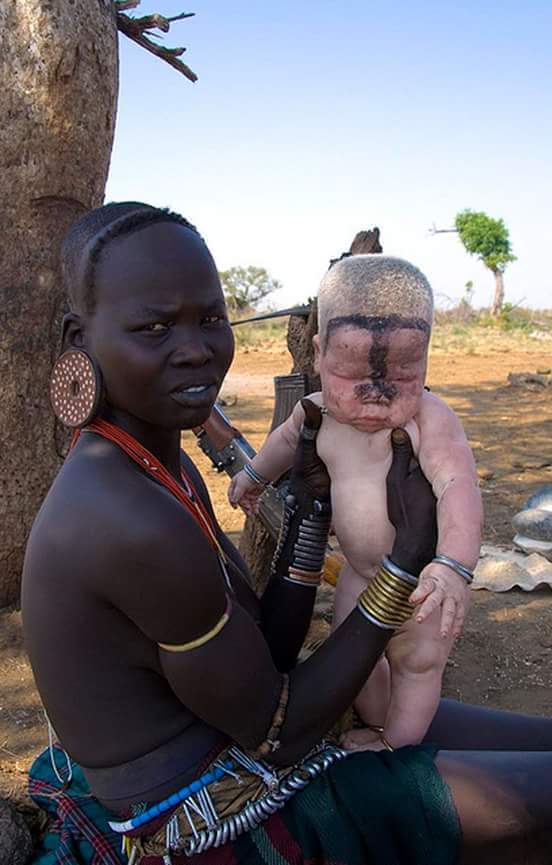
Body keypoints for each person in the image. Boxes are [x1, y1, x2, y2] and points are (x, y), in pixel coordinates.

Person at [22, 202, 552, 865]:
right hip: (216, 812)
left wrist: (308, 519)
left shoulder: (158, 465)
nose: (196, 348)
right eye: (155, 327)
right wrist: (407, 559)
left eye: (211, 319)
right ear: (80, 335)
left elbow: (262, 655)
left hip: (250, 741)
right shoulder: (122, 515)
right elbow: (280, 726)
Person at [229, 254, 482, 750]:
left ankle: (399, 745)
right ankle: (377, 723)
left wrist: (453, 566)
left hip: (424, 587)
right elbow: (284, 441)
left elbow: (459, 488)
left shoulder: (430, 420)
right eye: (351, 373)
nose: (376, 395)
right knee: (354, 660)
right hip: (360, 577)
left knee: (418, 665)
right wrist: (255, 474)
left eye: (403, 374)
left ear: (426, 357)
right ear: (319, 352)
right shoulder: (318, 413)